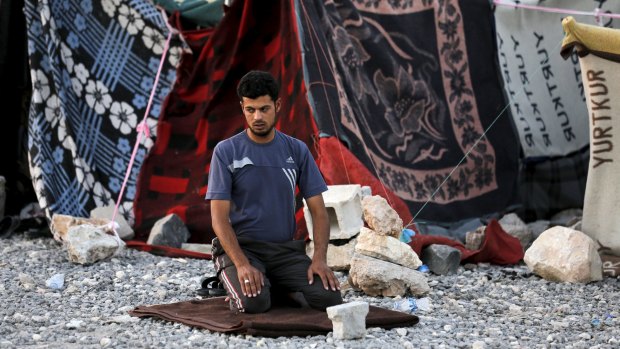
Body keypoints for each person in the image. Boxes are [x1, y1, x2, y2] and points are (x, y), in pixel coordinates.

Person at [205, 70, 342, 313]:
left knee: (329, 297)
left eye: (264, 109)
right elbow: (218, 218)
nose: (257, 116)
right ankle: (241, 282)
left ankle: (273, 284)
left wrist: (320, 259)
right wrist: (242, 264)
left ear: (277, 105)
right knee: (253, 304)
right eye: (250, 110)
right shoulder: (226, 151)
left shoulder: (297, 150)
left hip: (284, 252)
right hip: (242, 249)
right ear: (242, 108)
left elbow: (319, 212)